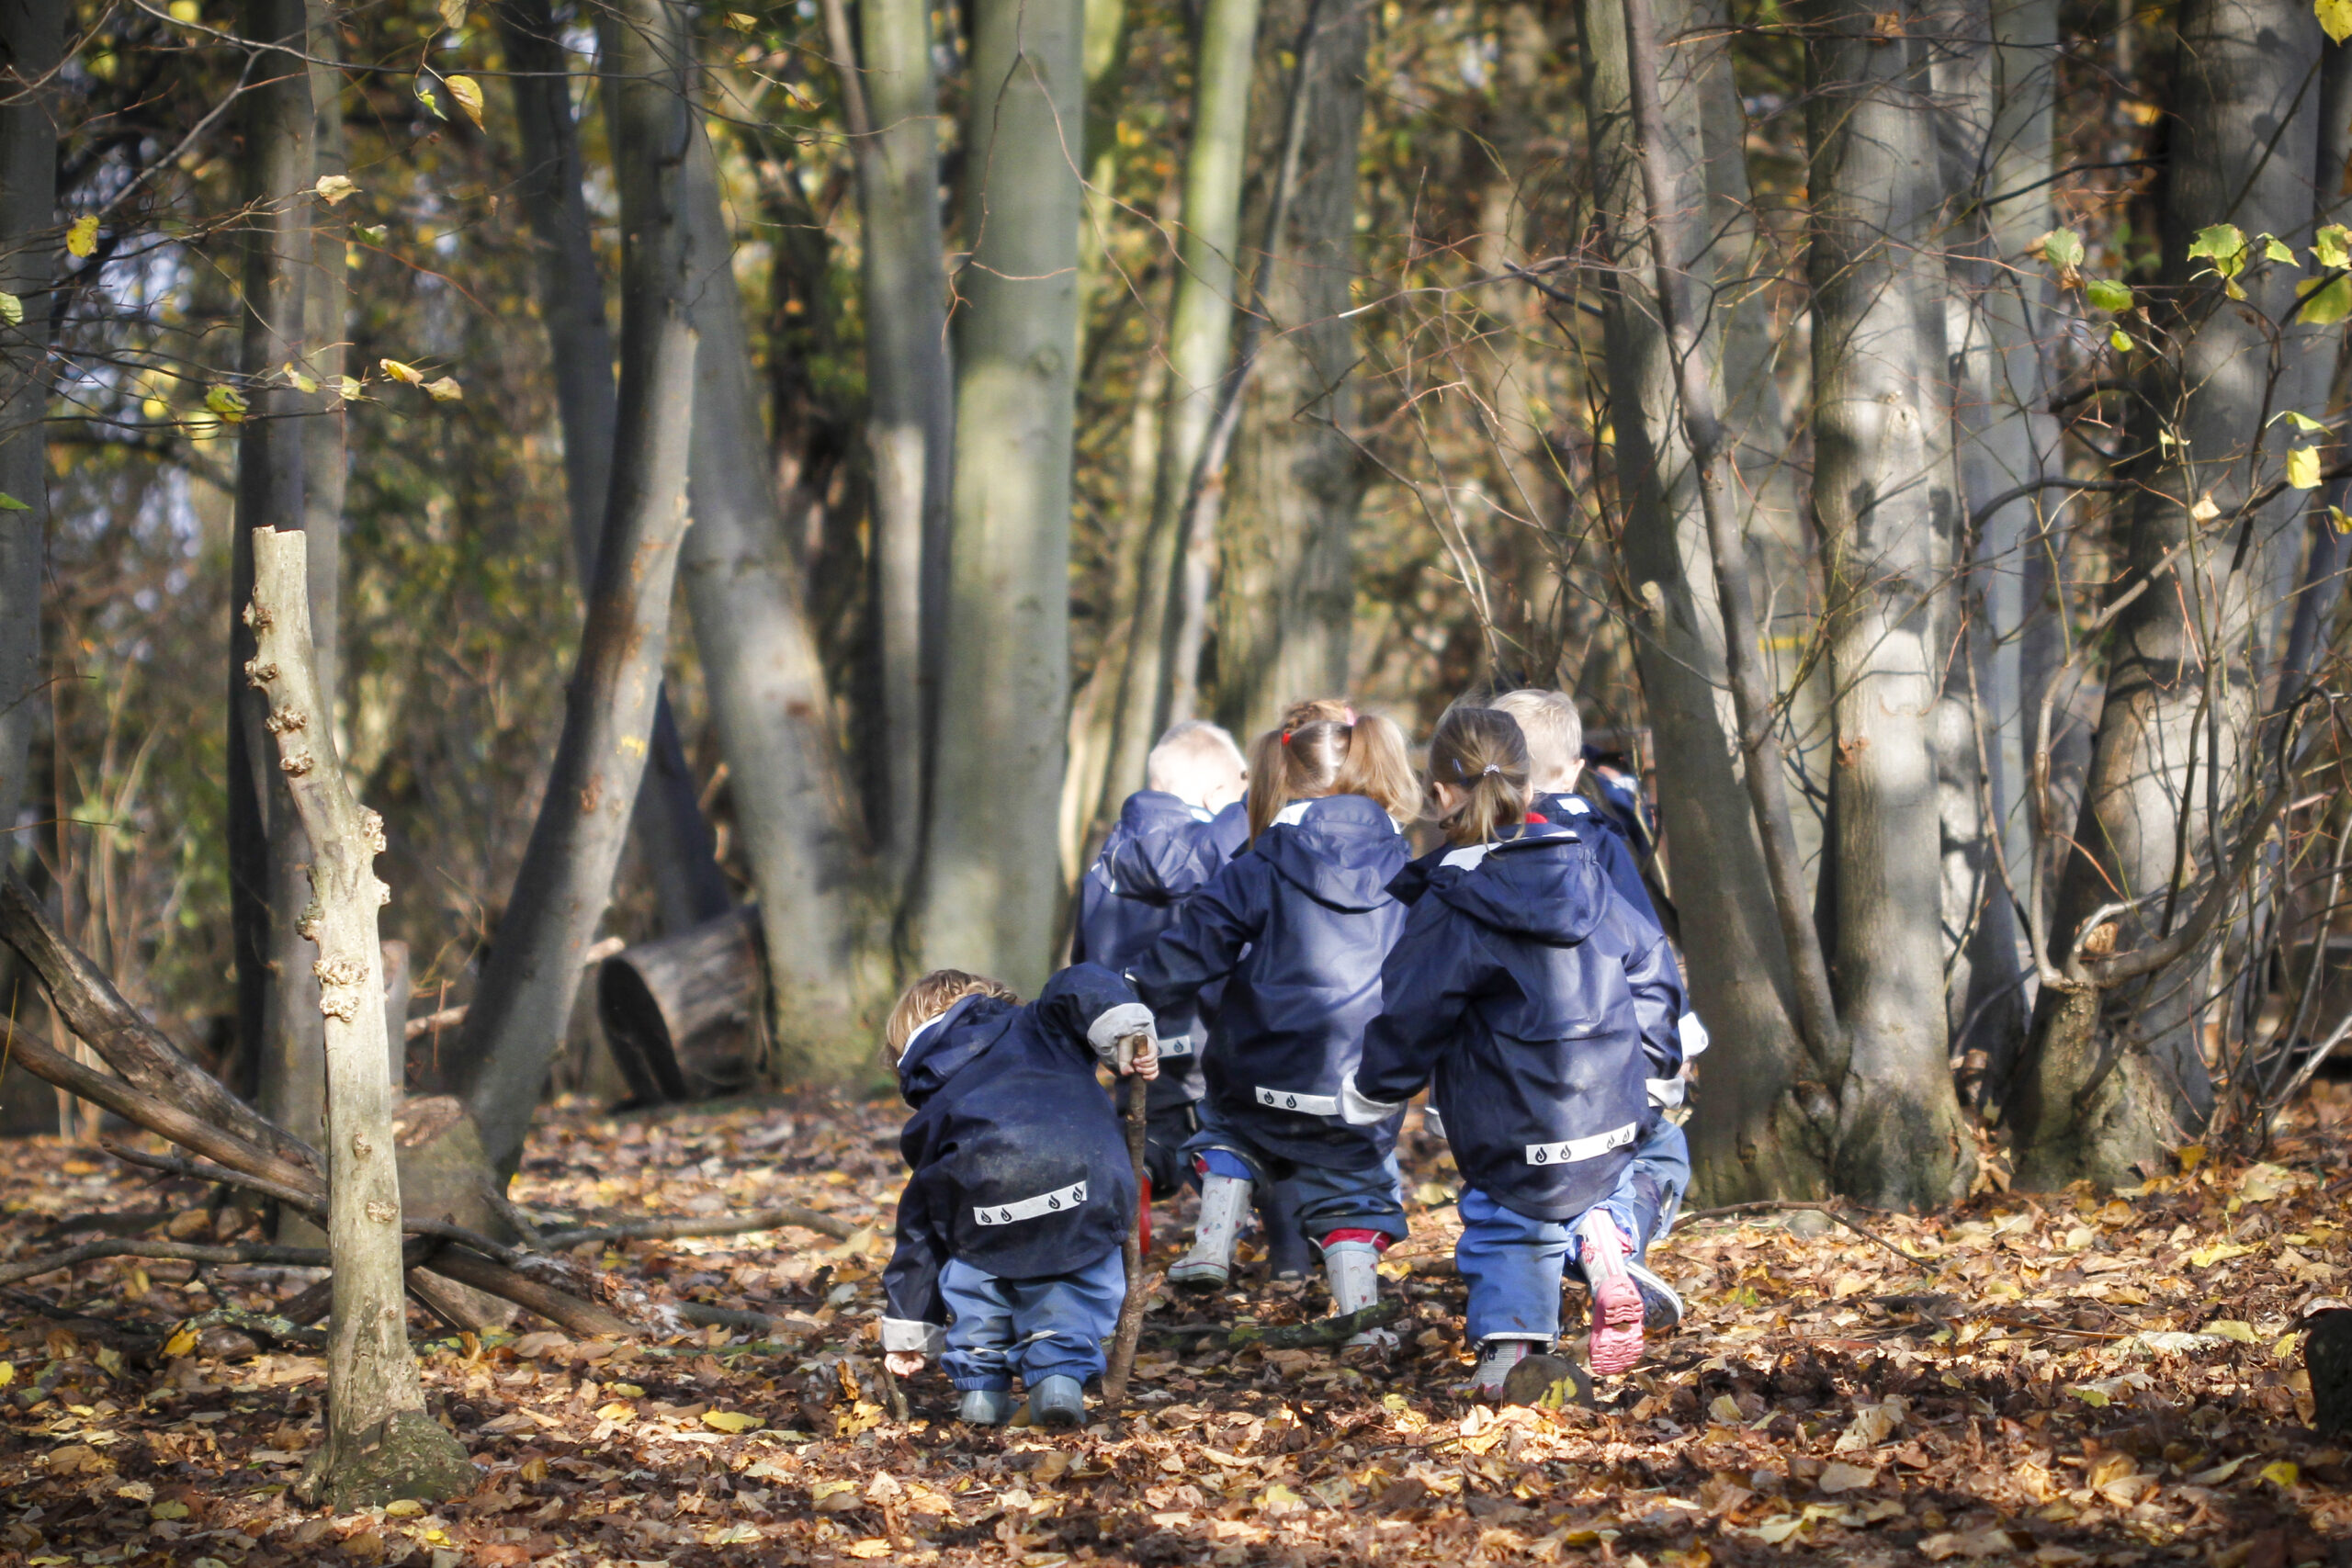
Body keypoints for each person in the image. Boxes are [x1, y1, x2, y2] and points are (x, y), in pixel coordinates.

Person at [1342, 705, 1684, 1394]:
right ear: (1532, 786)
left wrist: (1376, 1087)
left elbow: (1413, 1011)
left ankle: (1508, 1352)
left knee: (1506, 1220)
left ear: (1441, 794)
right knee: (1656, 1155)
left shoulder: (1453, 899)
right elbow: (1651, 961)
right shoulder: (1585, 867)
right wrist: (1656, 1066)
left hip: (1511, 1135)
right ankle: (1610, 1237)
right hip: (1609, 1123)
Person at [1126, 699, 1420, 1344]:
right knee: (1351, 1188)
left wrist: (1129, 991)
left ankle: (1213, 1242)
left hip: (1260, 1070)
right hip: (1359, 1081)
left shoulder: (1261, 860)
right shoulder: (1407, 868)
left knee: (1229, 1126)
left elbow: (1196, 943)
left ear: (1281, 775)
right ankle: (1358, 1316)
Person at [1488, 688, 1704, 1330]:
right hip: (1607, 1056)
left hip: (1508, 1070)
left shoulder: (1475, 850)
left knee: (1511, 1184)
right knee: (1659, 1151)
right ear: (1575, 767)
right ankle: (1612, 1233)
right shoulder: (1599, 841)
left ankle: (1516, 1329)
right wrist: (1671, 1044)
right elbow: (1645, 948)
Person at [877, 964, 1159, 1428]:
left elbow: (919, 1229)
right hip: (1079, 1179)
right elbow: (1079, 980)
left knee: (975, 1276)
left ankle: (981, 1391)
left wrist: (909, 1327)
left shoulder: (936, 1095)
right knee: (1070, 1275)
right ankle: (1058, 1381)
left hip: (985, 1206)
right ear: (990, 996)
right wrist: (1123, 1028)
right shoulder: (1038, 1024)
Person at [1069, 721, 1250, 1216]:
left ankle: (1139, 1190)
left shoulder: (1106, 861)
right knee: (1226, 1133)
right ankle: (1228, 1225)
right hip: (1208, 1030)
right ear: (1218, 792)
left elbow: (1085, 950)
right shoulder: (1227, 858)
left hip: (1131, 1034)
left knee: (1148, 1130)